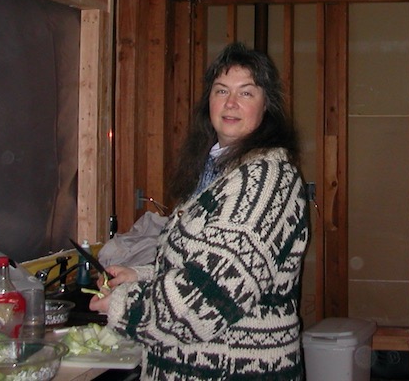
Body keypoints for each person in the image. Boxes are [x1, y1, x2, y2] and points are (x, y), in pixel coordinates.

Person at [89, 42, 310, 380]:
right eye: (221, 90)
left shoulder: (264, 179)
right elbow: (203, 264)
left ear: (267, 106)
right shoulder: (220, 168)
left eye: (246, 93)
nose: (230, 103)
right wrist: (141, 276)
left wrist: (123, 304)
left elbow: (204, 302)